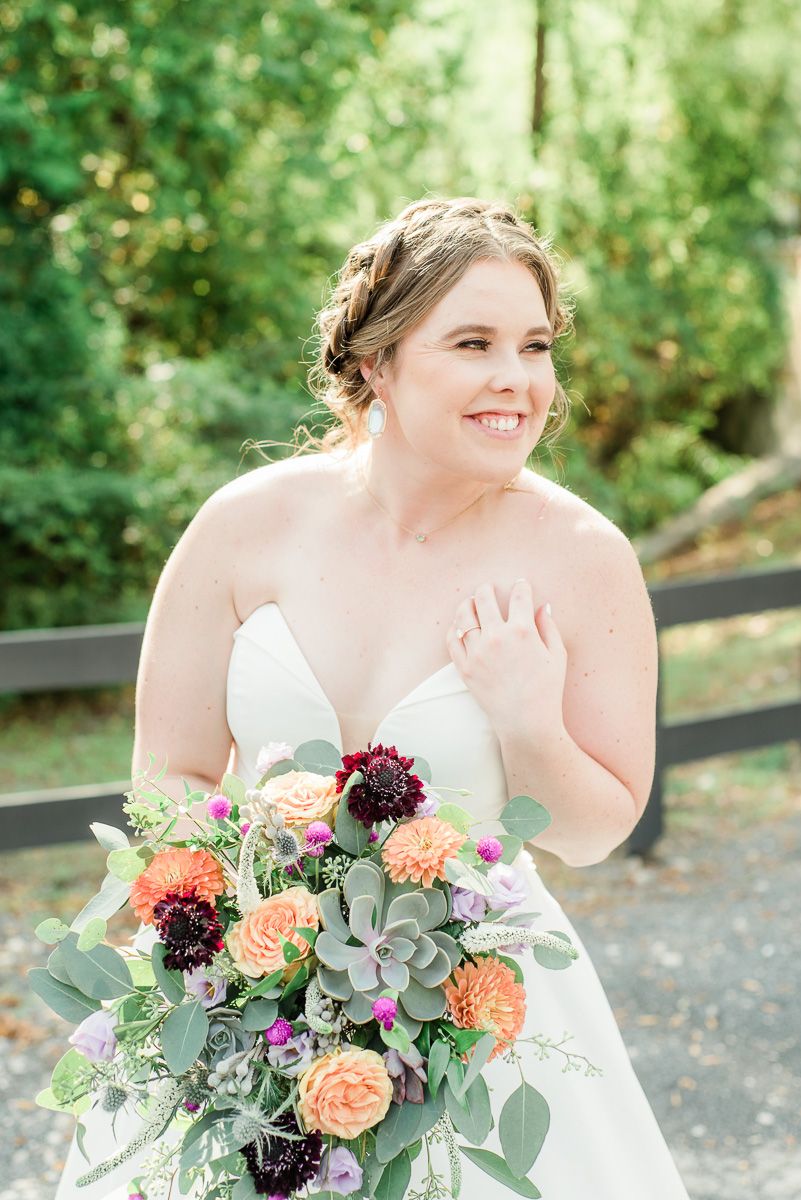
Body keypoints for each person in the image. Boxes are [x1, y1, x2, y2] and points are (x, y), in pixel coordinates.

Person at [56, 196, 691, 1198]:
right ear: (375, 362)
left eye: (534, 346)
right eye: (474, 342)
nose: (515, 381)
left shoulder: (582, 560)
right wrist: (240, 932)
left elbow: (598, 829)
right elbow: (168, 774)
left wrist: (527, 713)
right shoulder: (243, 528)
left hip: (469, 1020)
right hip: (240, 1000)